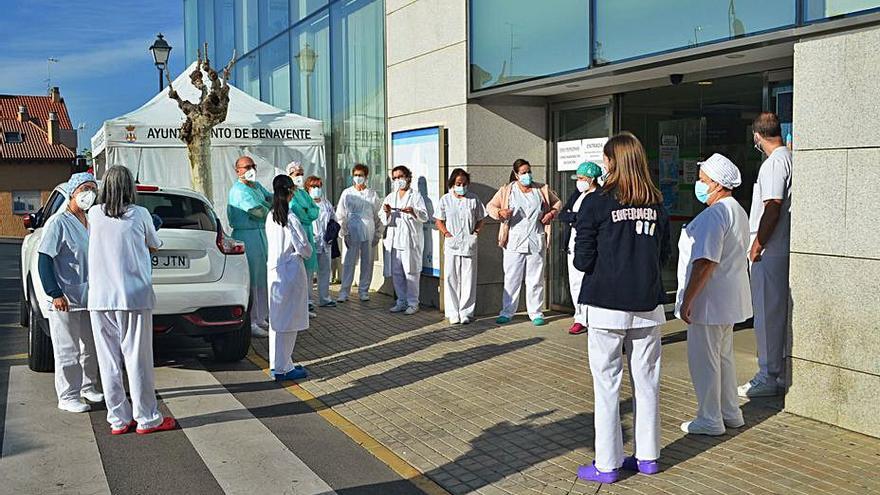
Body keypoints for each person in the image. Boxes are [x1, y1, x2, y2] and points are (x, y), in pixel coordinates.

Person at [573, 132, 670, 483]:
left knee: (607, 385)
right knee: (648, 383)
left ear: (613, 161)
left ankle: (607, 464)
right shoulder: (656, 202)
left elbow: (583, 259)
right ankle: (648, 457)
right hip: (647, 303)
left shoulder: (596, 202)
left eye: (606, 158)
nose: (604, 164)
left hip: (606, 304)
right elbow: (664, 255)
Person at [88, 165, 177, 435]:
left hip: (100, 298)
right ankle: (147, 417)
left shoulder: (93, 214)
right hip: (133, 295)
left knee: (108, 361)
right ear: (129, 188)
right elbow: (154, 244)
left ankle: (118, 419)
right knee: (136, 358)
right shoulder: (140, 214)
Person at [676, 153, 752, 436]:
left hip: (710, 301)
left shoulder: (715, 214)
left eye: (703, 180)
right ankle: (730, 412)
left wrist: (688, 299)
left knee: (704, 360)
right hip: (728, 299)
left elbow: (706, 261)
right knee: (723, 357)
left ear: (718, 185)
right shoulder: (736, 210)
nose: (699, 185)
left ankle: (709, 418)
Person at [37, 172, 102, 413]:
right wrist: (54, 292)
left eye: (93, 189)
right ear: (73, 192)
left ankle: (88, 386)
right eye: (85, 188)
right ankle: (67, 395)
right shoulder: (59, 222)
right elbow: (44, 259)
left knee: (90, 345)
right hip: (65, 297)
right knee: (68, 348)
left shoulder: (92, 220)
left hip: (90, 296)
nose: (89, 194)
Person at [740, 112, 793, 398]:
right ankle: (780, 371)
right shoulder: (791, 158)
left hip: (770, 251)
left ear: (757, 137)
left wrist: (757, 245)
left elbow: (772, 205)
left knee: (766, 313)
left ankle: (768, 374)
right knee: (778, 312)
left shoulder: (773, 164)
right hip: (781, 247)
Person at [487, 158, 562, 326]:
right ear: (516, 174)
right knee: (512, 278)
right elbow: (490, 207)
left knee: (535, 279)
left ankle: (536, 312)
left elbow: (557, 203)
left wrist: (551, 214)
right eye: (523, 173)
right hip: (514, 240)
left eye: (529, 171)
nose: (527, 175)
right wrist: (500, 212)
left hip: (536, 238)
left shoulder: (541, 189)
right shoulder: (507, 190)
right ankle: (507, 312)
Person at [265, 175, 312, 381]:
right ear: (291, 191)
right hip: (290, 271)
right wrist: (308, 252)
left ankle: (278, 363)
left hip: (274, 271)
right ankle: (284, 368)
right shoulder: (289, 217)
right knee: (290, 320)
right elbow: (304, 247)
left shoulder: (270, 215)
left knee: (277, 319)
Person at [227, 156, 272, 337]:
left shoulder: (256, 186)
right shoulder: (238, 190)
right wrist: (268, 206)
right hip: (247, 235)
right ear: (238, 170)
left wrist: (267, 204)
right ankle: (252, 321)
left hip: (261, 235)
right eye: (246, 167)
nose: (251, 169)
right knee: (252, 279)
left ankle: (262, 316)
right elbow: (257, 211)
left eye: (253, 166)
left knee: (262, 278)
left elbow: (270, 198)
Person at [436, 168, 486, 325]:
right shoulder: (445, 199)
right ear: (452, 183)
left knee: (468, 278)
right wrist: (446, 234)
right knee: (451, 277)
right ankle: (453, 312)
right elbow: (439, 220)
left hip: (469, 243)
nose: (462, 186)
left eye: (464, 184)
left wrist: (476, 232)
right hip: (452, 243)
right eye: (458, 183)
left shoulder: (473, 199)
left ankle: (466, 312)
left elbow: (481, 217)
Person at [559, 161, 603, 335]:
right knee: (575, 283)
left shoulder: (600, 196)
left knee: (590, 282)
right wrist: (577, 217)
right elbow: (564, 213)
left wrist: (578, 218)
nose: (579, 181)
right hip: (573, 244)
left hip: (591, 245)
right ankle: (579, 318)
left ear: (592, 179)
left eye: (582, 178)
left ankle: (592, 317)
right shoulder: (578, 194)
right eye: (578, 178)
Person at [380, 165, 429, 315]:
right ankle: (401, 301)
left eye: (400, 177)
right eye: (395, 178)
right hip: (395, 241)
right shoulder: (391, 196)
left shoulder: (416, 196)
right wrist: (387, 213)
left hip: (410, 241)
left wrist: (413, 211)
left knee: (411, 272)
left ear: (408, 178)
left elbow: (425, 216)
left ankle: (413, 303)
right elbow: (382, 218)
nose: (398, 180)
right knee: (397, 272)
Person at [336, 164, 382, 302]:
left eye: (361, 175)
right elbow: (340, 214)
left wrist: (378, 233)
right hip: (352, 228)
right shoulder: (347, 193)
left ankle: (364, 290)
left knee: (367, 261)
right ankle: (344, 292)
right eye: (356, 175)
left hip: (368, 228)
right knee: (349, 261)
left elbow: (377, 214)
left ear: (366, 177)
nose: (358, 178)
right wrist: (343, 231)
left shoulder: (372, 194)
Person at [286, 161, 319, 317]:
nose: (299, 176)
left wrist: (307, 212)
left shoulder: (304, 193)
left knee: (308, 271)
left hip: (308, 230)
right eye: (296, 174)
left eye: (301, 173)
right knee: (298, 270)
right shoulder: (290, 194)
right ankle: (298, 307)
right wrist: (307, 212)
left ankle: (306, 303)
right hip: (298, 232)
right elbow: (297, 211)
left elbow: (315, 211)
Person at [306, 175, 338, 307]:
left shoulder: (326, 203)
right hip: (311, 241)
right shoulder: (305, 202)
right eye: (313, 186)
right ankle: (307, 300)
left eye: (318, 186)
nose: (316, 189)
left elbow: (334, 220)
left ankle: (324, 298)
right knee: (308, 272)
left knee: (325, 271)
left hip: (325, 242)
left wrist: (331, 234)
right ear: (307, 188)